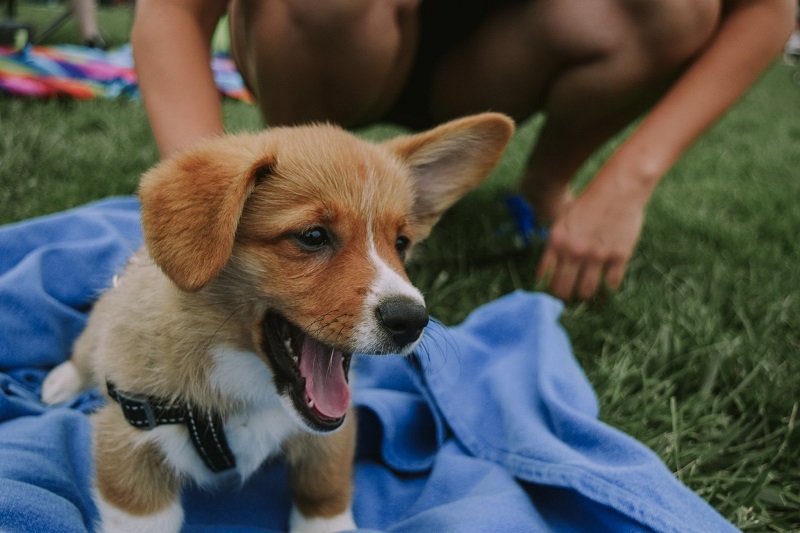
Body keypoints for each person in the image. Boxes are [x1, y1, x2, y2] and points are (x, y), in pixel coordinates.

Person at [130, 0, 794, 301]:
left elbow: (769, 7)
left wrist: (629, 179)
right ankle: (293, 201)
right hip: (331, 38)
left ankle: (540, 192)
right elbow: (173, 11)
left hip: (500, 57)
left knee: (676, 7)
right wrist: (203, 205)